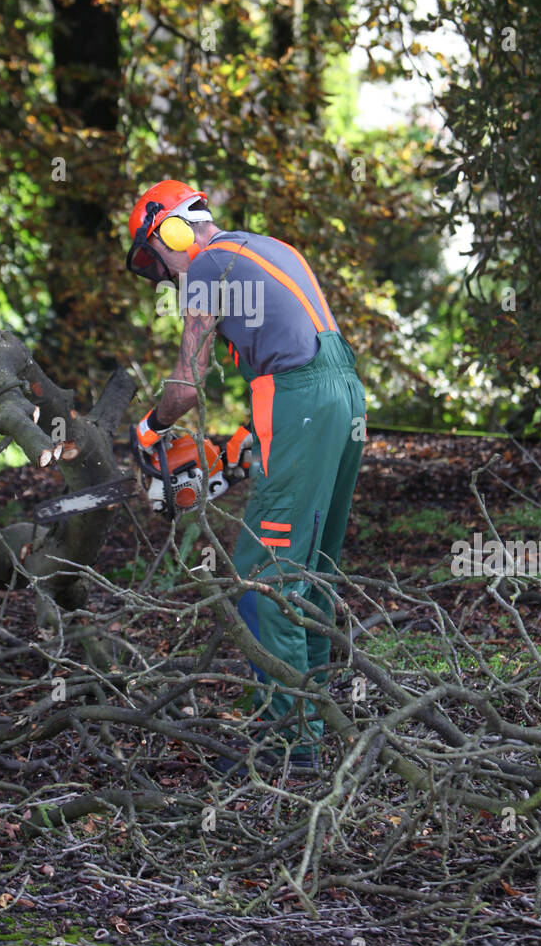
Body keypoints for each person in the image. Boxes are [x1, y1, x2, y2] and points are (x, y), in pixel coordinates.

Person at [125, 178, 367, 772]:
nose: (167, 280)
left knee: (266, 575)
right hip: (344, 395)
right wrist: (239, 444)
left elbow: (188, 380)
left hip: (302, 401)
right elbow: (295, 355)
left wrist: (148, 430)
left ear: (170, 231)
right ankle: (317, 719)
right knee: (310, 567)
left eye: (159, 265)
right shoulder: (265, 247)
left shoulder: (207, 266)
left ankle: (290, 746)